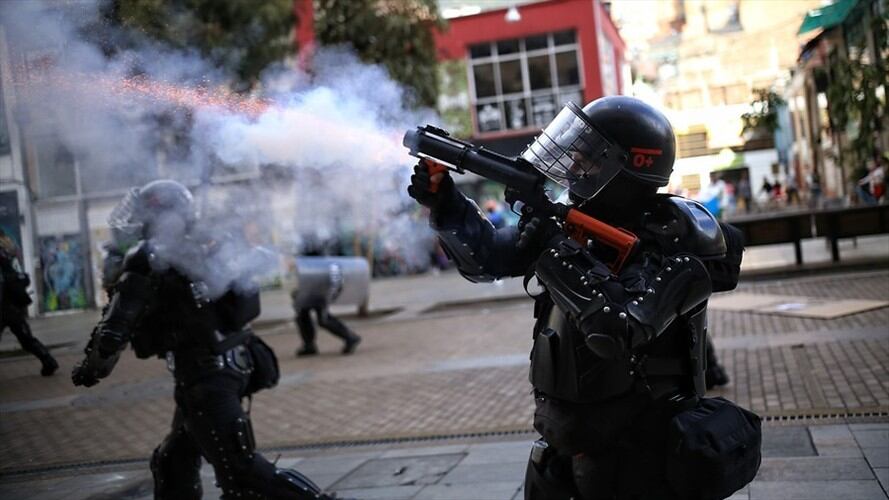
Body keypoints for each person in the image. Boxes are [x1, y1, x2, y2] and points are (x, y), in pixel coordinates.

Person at [408, 96, 759, 499]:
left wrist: (555, 249)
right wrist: (446, 203)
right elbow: (488, 260)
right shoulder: (575, 227)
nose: (574, 169)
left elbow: (616, 327)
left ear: (630, 167)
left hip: (640, 460)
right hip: (560, 443)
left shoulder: (679, 241)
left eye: (588, 159)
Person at [71, 180, 343, 500]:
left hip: (205, 377)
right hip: (229, 364)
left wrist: (92, 367)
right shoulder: (208, 243)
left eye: (146, 213)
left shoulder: (149, 257)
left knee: (241, 470)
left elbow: (116, 327)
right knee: (174, 462)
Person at [0, 232, 58, 376]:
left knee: (26, 338)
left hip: (5, 304)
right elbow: (22, 277)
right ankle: (48, 361)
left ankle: (49, 362)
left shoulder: (5, 255)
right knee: (26, 338)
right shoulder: (10, 251)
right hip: (14, 304)